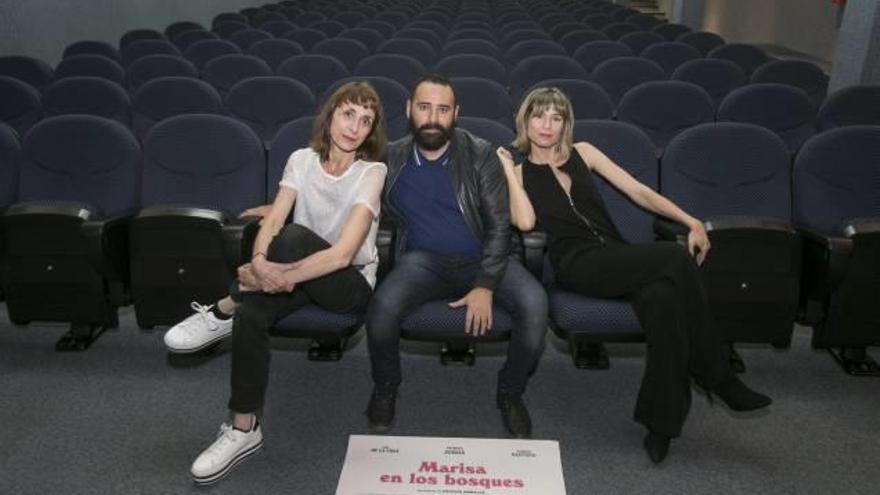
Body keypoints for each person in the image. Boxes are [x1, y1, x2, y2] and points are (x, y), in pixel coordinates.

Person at [497, 87, 771, 464]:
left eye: (556, 117)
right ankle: (717, 373)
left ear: (566, 124)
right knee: (675, 260)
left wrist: (691, 220)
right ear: (525, 121)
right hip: (578, 264)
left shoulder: (586, 153)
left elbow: (639, 191)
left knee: (664, 302)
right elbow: (524, 222)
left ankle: (661, 425)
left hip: (617, 253)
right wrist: (509, 173)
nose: (546, 125)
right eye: (538, 116)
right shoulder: (520, 171)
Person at [188, 81, 388, 485]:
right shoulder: (300, 159)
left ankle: (224, 305)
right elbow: (274, 219)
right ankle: (244, 428)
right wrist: (261, 263)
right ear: (330, 115)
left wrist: (262, 276)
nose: (355, 127)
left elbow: (341, 255)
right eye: (348, 114)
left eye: (365, 121)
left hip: (347, 286)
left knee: (294, 239)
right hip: (292, 276)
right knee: (254, 311)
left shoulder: (373, 171)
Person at [364, 74, 548, 439]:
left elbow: (499, 227)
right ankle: (386, 387)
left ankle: (510, 393)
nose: (433, 117)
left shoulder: (480, 154)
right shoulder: (390, 157)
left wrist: (485, 285)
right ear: (409, 110)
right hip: (422, 262)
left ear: (456, 114)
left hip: (484, 258)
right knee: (381, 309)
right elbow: (351, 197)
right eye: (424, 107)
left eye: (443, 109)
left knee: (536, 304)